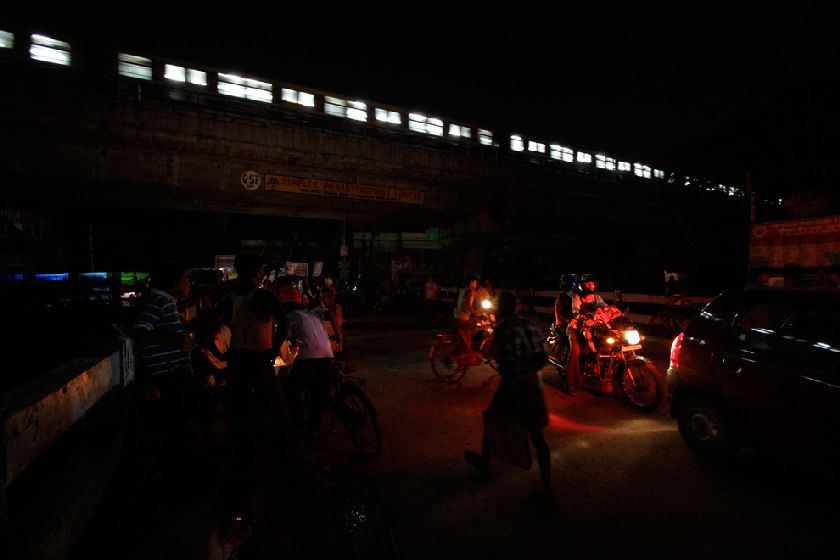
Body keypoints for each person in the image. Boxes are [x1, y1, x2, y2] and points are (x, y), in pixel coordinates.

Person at [463, 291, 556, 510]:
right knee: (538, 437)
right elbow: (544, 356)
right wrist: (529, 370)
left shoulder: (503, 329)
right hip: (533, 384)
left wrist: (513, 380)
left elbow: (506, 362)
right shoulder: (529, 325)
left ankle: (486, 463)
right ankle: (548, 491)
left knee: (493, 419)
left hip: (513, 385)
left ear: (501, 308)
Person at [131, 260, 210, 475]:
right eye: (186, 278)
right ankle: (187, 469)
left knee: (179, 421)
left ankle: (181, 467)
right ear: (175, 281)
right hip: (170, 374)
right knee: (202, 410)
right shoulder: (158, 301)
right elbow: (139, 332)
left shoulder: (165, 302)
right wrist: (175, 342)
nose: (189, 283)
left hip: (173, 373)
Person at [217, 251, 293, 466]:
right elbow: (284, 321)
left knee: (238, 405)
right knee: (278, 405)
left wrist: (218, 353)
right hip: (258, 359)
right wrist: (274, 349)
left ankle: (240, 451)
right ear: (258, 272)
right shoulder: (263, 296)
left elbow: (207, 327)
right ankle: (287, 452)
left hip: (237, 358)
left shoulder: (228, 298)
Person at [282, 300, 339, 441]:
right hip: (326, 353)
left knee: (292, 389)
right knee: (318, 393)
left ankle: (298, 424)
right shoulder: (312, 312)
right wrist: (338, 334)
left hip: (308, 356)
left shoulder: (289, 317)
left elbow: (290, 341)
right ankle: (313, 429)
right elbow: (330, 313)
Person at [454, 274, 481, 351]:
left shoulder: (463, 290)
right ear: (472, 282)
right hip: (463, 318)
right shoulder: (470, 291)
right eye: (475, 282)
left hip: (457, 316)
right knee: (467, 341)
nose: (476, 284)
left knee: (461, 340)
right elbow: (468, 305)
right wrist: (476, 314)